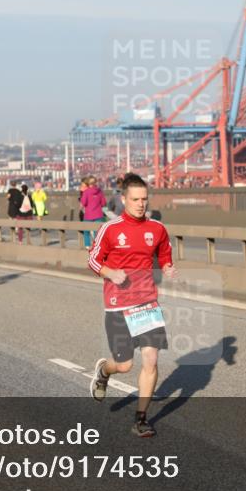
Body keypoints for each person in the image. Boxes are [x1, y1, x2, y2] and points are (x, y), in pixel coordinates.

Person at [88, 173, 177, 437]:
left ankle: (141, 419)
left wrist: (169, 267)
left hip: (146, 301)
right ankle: (105, 371)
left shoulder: (157, 228)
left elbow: (164, 255)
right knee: (124, 365)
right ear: (124, 199)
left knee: (150, 359)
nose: (141, 204)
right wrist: (110, 273)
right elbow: (92, 260)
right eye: (135, 199)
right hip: (117, 304)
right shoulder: (110, 229)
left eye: (144, 199)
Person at [80, 176, 106, 249]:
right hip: (98, 214)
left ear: (88, 183)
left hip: (88, 214)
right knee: (97, 232)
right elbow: (103, 203)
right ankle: (96, 245)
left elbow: (83, 203)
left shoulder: (86, 192)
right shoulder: (100, 191)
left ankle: (87, 245)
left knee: (86, 231)